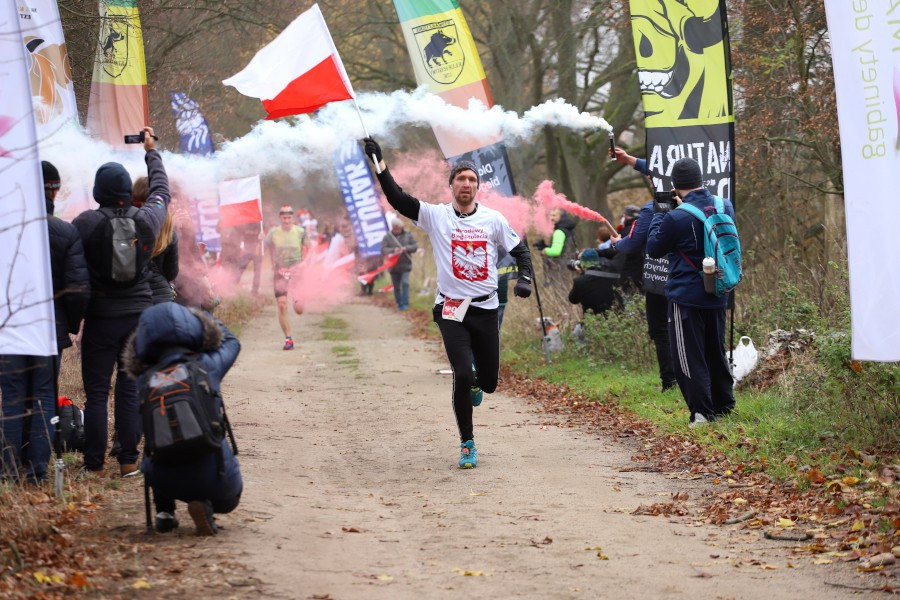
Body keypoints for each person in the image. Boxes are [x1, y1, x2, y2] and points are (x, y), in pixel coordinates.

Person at [364, 136, 534, 469]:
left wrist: (525, 279)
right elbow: (397, 198)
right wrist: (379, 163)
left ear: (478, 187)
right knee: (462, 373)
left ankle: (478, 383)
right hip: (451, 309)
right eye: (460, 179)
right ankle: (467, 443)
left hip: (485, 308)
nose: (466, 184)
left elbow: (521, 251)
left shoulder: (493, 220)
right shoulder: (435, 216)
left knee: (489, 383)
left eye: (472, 180)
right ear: (451, 185)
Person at [72, 126, 170, 477]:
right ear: (128, 191)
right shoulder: (147, 219)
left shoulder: (85, 223)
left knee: (97, 392)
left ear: (98, 192)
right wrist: (151, 152)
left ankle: (94, 465)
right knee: (130, 390)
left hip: (101, 319)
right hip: (138, 317)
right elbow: (161, 191)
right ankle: (129, 461)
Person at [0, 161, 89, 484]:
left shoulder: (5, 230)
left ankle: (8, 471)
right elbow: (78, 290)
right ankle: (36, 472)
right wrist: (70, 324)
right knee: (43, 398)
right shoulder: (65, 232)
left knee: (12, 398)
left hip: (10, 328)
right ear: (53, 190)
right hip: (47, 330)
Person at [123, 302, 242, 535]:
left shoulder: (144, 379)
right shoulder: (207, 365)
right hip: (216, 478)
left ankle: (164, 513)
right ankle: (206, 504)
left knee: (159, 443)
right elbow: (232, 342)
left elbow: (136, 357)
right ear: (193, 328)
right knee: (230, 501)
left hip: (165, 480)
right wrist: (205, 317)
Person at [646, 157, 736, 427]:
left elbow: (654, 248)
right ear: (701, 180)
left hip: (686, 296)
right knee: (715, 349)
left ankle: (702, 413)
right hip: (718, 289)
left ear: (675, 186)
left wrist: (659, 214)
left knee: (688, 356)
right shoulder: (724, 205)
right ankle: (724, 406)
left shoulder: (675, 217)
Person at [605, 147, 678, 392]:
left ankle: (670, 381)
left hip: (660, 277)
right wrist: (630, 160)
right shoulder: (696, 199)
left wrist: (617, 243)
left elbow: (632, 243)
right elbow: (660, 171)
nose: (650, 175)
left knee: (660, 328)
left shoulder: (651, 209)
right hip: (689, 276)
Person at [264, 205, 308, 350]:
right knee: (282, 304)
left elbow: (311, 249)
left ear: (292, 218)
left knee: (299, 309)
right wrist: (260, 240)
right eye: (284, 218)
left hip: (296, 270)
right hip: (280, 270)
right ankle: (288, 339)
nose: (287, 220)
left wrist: (305, 262)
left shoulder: (300, 232)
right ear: (280, 218)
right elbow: (262, 248)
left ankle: (300, 300)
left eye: (289, 217)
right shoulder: (273, 232)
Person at [133, 177, 179, 304]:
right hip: (162, 300)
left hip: (134, 299)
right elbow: (171, 274)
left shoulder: (125, 223)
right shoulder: (169, 231)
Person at [567, 248, 622, 316]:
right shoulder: (613, 269)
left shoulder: (580, 281)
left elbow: (573, 300)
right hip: (619, 316)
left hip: (596, 320)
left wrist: (583, 273)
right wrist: (595, 252)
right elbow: (619, 252)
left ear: (582, 265)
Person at [381, 218, 418, 310]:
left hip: (405, 264)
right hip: (393, 266)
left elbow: (415, 247)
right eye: (395, 228)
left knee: (405, 283)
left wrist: (406, 248)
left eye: (398, 228)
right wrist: (393, 250)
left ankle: (405, 304)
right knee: (396, 286)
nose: (397, 230)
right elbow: (383, 249)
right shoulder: (387, 237)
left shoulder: (408, 235)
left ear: (401, 227)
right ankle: (399, 304)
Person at [536, 208, 576, 287]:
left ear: (561, 216)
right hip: (568, 267)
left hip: (560, 269)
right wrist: (546, 245)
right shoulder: (566, 229)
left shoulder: (559, 232)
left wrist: (545, 250)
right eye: (550, 215)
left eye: (554, 215)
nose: (551, 218)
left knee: (560, 290)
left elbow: (556, 251)